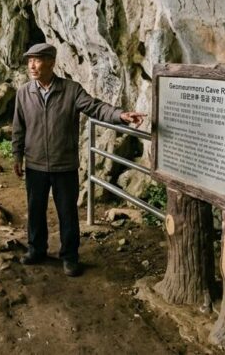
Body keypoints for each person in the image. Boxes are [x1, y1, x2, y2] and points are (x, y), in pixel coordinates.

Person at [11, 43, 146, 276]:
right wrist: (16, 155)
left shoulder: (71, 90)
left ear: (52, 62)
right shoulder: (24, 92)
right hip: (35, 163)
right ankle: (37, 250)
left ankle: (70, 257)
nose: (32, 65)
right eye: (30, 60)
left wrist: (120, 116)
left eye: (37, 60)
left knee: (67, 213)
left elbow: (95, 107)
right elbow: (18, 127)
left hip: (64, 164)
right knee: (35, 210)